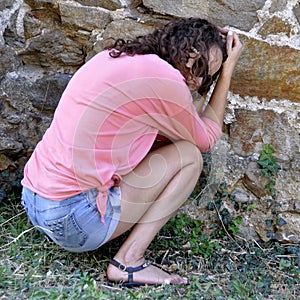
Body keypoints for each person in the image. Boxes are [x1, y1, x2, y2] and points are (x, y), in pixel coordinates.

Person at [21, 17, 243, 286]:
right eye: (199, 67)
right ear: (189, 51)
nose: (198, 81)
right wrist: (228, 69)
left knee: (168, 144)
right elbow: (205, 138)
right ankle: (129, 261)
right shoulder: (165, 81)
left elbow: (177, 127)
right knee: (190, 157)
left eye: (207, 76)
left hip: (33, 198)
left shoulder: (115, 57)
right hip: (70, 220)